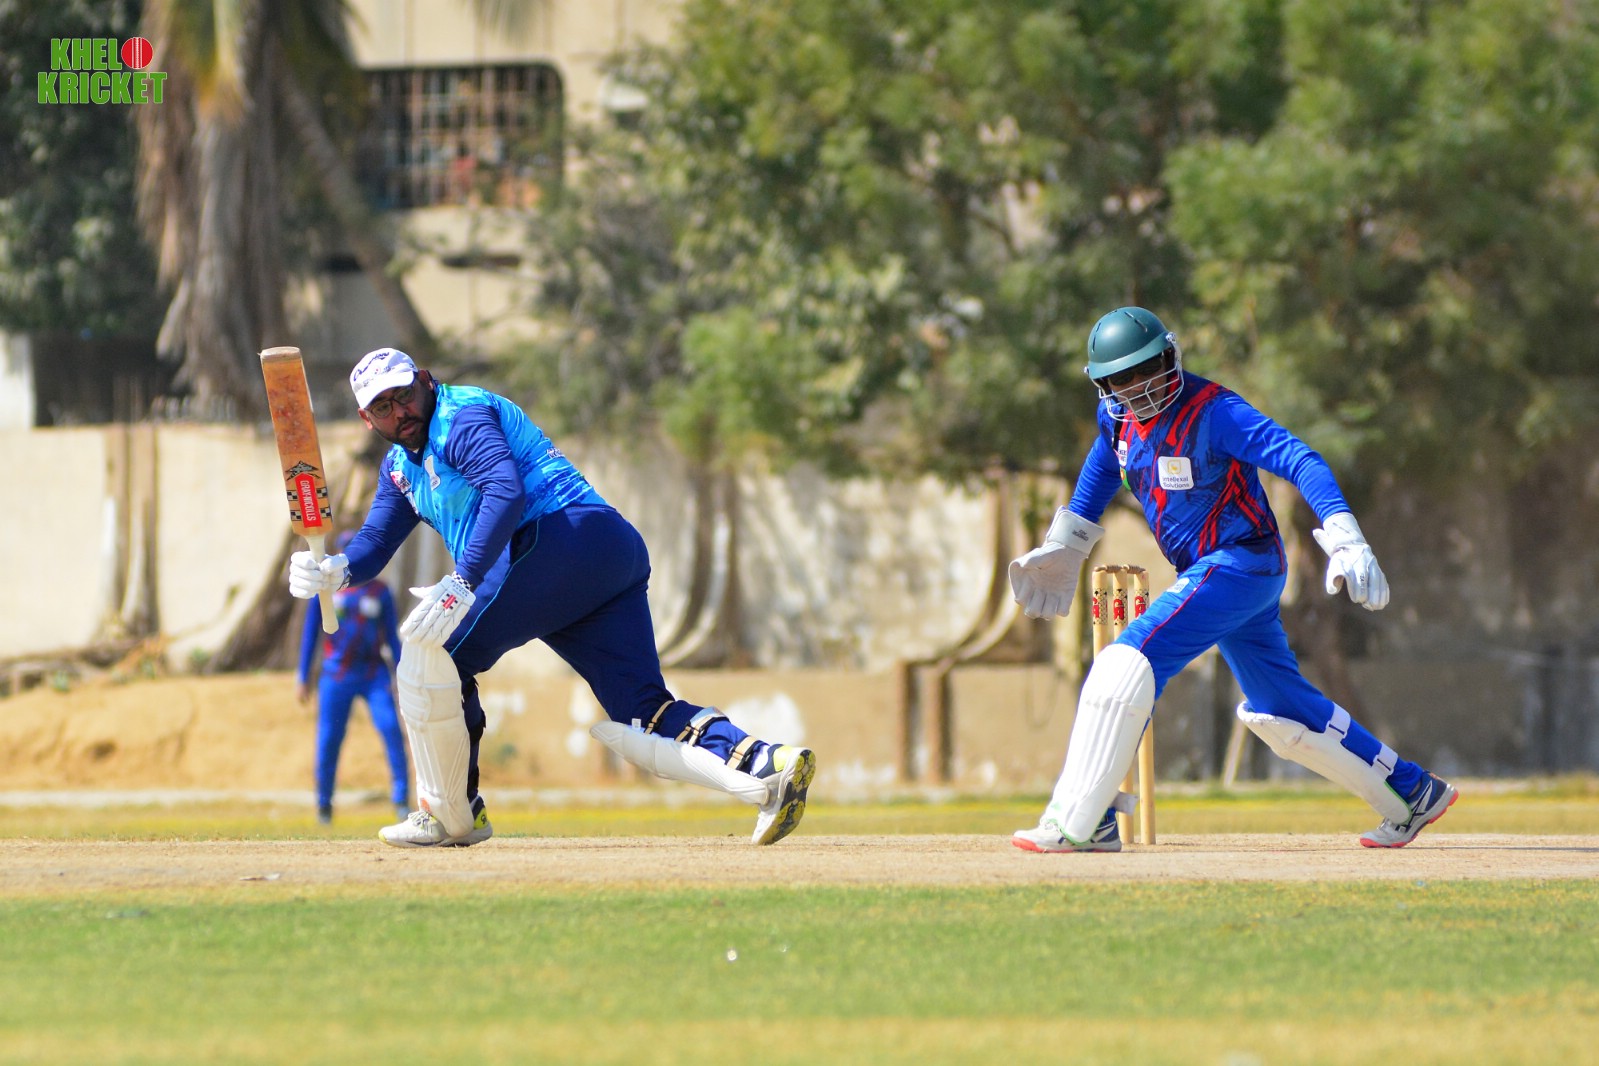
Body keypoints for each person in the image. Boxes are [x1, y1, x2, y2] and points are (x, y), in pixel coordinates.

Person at [286, 348, 815, 848]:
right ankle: (766, 766)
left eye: (404, 395)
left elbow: (505, 490)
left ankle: (451, 814)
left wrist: (464, 579)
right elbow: (376, 541)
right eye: (383, 407)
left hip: (556, 540)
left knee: (433, 655)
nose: (400, 412)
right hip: (605, 553)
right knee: (643, 713)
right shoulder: (400, 468)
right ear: (366, 419)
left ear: (424, 381)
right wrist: (337, 570)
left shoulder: (459, 416)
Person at [1008, 306, 1457, 853]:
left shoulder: (1215, 412)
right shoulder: (1117, 419)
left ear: (1171, 357)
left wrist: (1345, 535)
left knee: (1126, 660)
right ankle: (1413, 793)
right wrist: (1067, 545)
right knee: (1280, 707)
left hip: (1241, 562)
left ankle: (1081, 822)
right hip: (1220, 574)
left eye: (1148, 369)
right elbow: (1103, 467)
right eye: (1122, 378)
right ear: (1104, 385)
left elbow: (1300, 459)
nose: (1139, 387)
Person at [296, 529, 410, 825]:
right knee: (329, 738)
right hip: (336, 675)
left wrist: (401, 675)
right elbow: (310, 634)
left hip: (373, 673)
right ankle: (324, 805)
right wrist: (303, 676)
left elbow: (392, 637)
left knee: (390, 729)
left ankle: (401, 800)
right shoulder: (326, 589)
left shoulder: (380, 592)